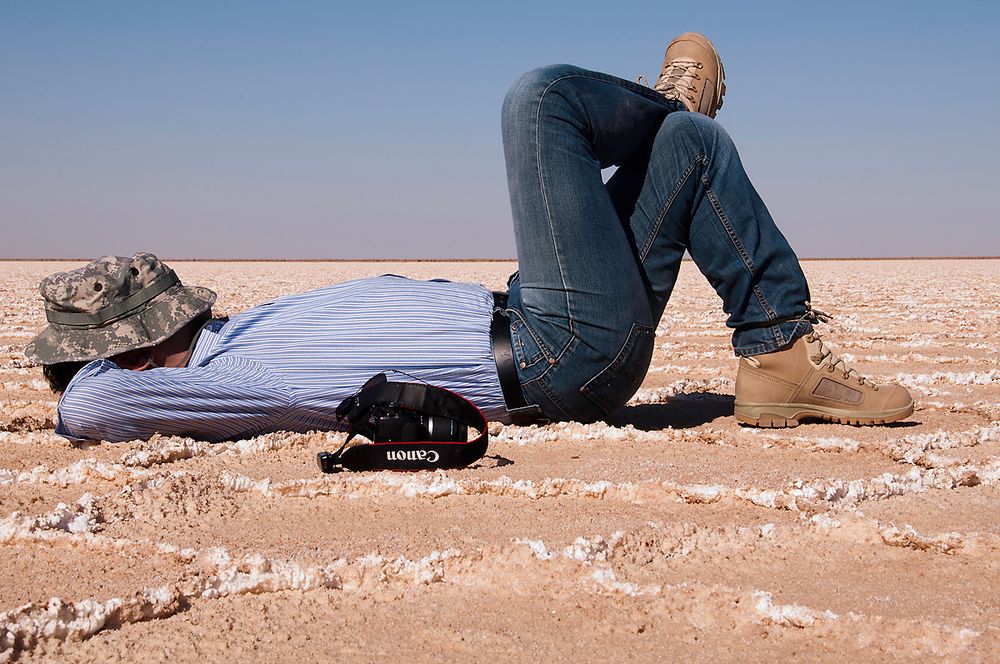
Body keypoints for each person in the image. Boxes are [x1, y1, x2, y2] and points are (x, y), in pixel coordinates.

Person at [26, 33, 913, 443]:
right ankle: (663, 105)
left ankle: (781, 356)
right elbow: (90, 406)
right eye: (158, 325)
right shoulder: (192, 385)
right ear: (134, 352)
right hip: (551, 349)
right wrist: (89, 367)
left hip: (534, 310)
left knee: (690, 150)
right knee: (541, 100)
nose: (183, 322)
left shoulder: (230, 341)